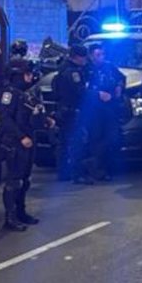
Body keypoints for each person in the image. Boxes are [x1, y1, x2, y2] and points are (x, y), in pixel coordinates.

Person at [0, 59, 47, 231]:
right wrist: (21, 136)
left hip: (29, 138)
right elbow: (5, 119)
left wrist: (46, 120)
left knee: (25, 179)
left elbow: (31, 113)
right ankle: (10, 218)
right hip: (15, 142)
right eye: (27, 74)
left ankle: (21, 212)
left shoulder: (26, 93)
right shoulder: (9, 94)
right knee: (14, 181)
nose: (30, 77)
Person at [83, 42, 126, 183]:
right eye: (98, 55)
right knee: (95, 140)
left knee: (112, 137)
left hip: (110, 108)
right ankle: (96, 169)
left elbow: (121, 78)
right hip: (93, 110)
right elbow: (80, 90)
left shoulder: (109, 67)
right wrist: (96, 94)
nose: (101, 57)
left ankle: (106, 167)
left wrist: (119, 86)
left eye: (102, 54)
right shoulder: (86, 69)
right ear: (91, 56)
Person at [53, 43, 92, 182]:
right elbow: (79, 92)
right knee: (78, 141)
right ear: (77, 57)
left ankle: (63, 173)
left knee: (64, 142)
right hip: (73, 111)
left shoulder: (62, 69)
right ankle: (77, 173)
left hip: (64, 110)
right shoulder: (72, 72)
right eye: (83, 57)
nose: (86, 60)